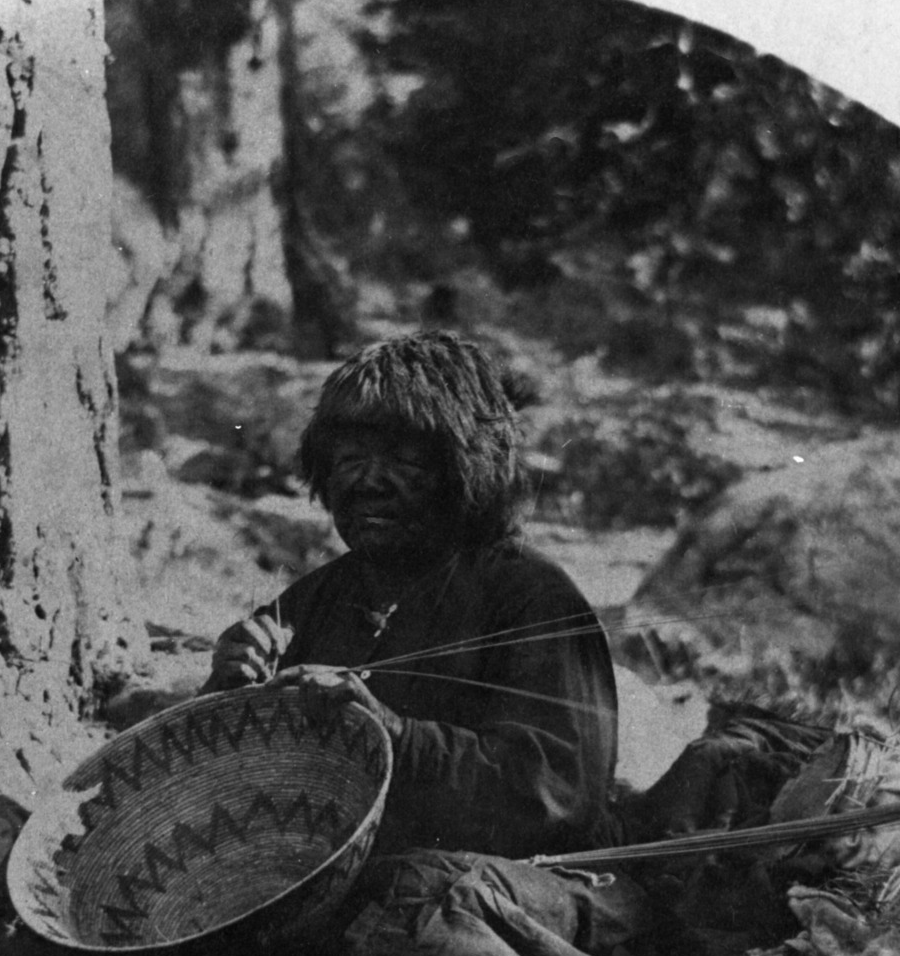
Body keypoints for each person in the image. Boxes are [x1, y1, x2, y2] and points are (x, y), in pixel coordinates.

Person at [201, 332, 620, 861]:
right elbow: (213, 793)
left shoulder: (532, 599)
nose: (370, 482)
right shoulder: (316, 598)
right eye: (349, 459)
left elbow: (558, 800)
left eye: (405, 460)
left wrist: (390, 735)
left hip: (493, 884)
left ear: (465, 469)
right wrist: (224, 692)